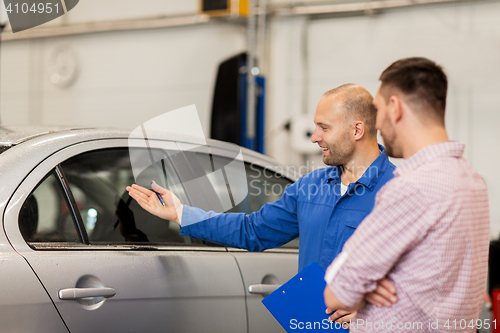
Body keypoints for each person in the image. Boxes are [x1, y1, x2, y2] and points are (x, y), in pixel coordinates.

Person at [127, 84, 398, 326]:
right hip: (313, 325)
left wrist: (374, 313)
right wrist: (183, 214)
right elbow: (253, 230)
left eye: (324, 127)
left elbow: (426, 276)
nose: (315, 137)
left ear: (357, 129)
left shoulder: (400, 191)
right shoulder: (309, 187)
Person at [323, 58, 490, 333]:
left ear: (395, 107)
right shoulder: (471, 181)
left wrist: (364, 286)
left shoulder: (412, 187)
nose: (376, 122)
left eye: (377, 110)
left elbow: (338, 291)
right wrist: (375, 283)